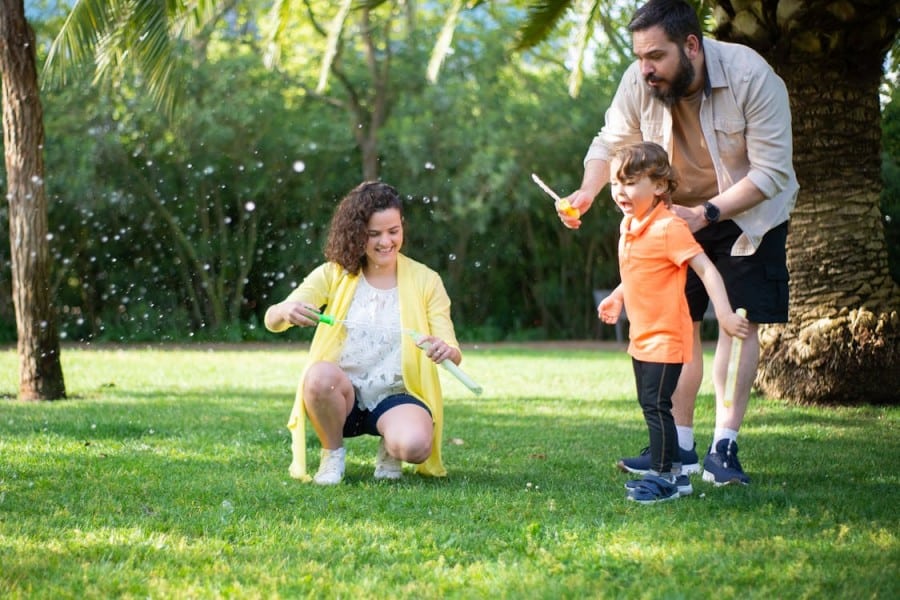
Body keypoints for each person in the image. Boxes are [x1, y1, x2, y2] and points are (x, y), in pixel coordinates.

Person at [561, 0, 797, 485]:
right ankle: (680, 446)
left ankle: (724, 447)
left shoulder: (752, 76)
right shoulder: (638, 80)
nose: (644, 69)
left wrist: (707, 213)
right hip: (672, 217)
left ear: (691, 45)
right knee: (680, 326)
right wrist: (586, 191)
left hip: (748, 214)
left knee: (742, 324)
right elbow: (610, 143)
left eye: (656, 57)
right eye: (639, 57)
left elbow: (771, 170)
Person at [264, 181, 463, 485]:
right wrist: (284, 311)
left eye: (393, 231)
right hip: (343, 395)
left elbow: (452, 349)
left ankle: (391, 446)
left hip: (398, 395)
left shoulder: (427, 280)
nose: (386, 242)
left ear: (402, 226)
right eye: (374, 234)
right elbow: (272, 319)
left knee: (415, 445)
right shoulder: (335, 273)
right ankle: (332, 456)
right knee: (318, 377)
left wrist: (445, 351)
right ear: (357, 234)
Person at [599, 142, 749, 503]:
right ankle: (677, 477)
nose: (621, 191)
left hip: (667, 337)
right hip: (642, 336)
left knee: (656, 406)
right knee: (650, 404)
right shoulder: (629, 224)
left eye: (632, 182)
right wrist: (618, 295)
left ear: (661, 186)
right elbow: (639, 270)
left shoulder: (670, 228)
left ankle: (664, 476)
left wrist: (725, 314)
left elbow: (707, 270)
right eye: (616, 183)